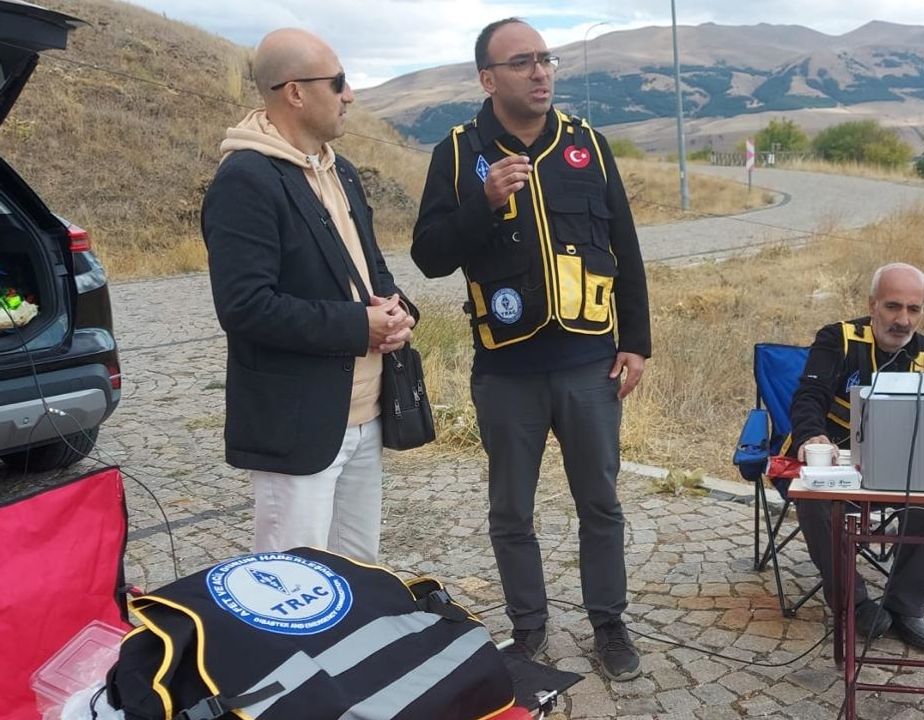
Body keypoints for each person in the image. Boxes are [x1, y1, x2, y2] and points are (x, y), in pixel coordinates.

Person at [411, 18, 650, 681]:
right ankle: (529, 626)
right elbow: (429, 256)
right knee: (511, 511)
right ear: (488, 79)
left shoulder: (587, 145)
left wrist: (636, 342)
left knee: (600, 504)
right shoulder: (457, 154)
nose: (540, 72)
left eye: (545, 59)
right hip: (506, 371)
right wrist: (483, 202)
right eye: (522, 62)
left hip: (589, 364)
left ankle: (609, 624)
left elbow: (625, 247)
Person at [202, 28, 417, 563]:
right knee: (295, 582)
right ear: (295, 92)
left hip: (365, 413)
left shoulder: (340, 171)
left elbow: (372, 271)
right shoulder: (245, 179)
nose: (350, 95)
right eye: (338, 82)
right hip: (298, 425)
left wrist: (397, 312)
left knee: (359, 574)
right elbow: (245, 306)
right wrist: (358, 327)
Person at [787, 263, 924, 650]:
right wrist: (811, 435)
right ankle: (854, 603)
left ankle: (906, 605)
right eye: (893, 306)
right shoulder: (838, 340)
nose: (903, 320)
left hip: (900, 473)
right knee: (814, 499)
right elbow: (809, 396)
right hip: (835, 468)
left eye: (914, 309)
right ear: (872, 305)